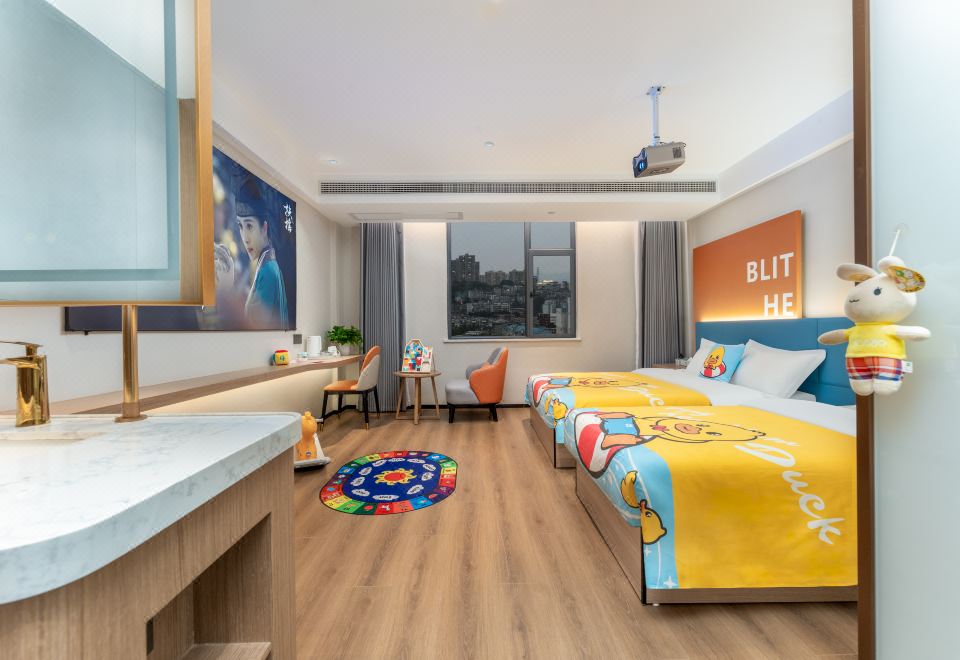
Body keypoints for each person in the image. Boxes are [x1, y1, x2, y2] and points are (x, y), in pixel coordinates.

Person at [235, 177, 289, 328]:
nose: (245, 238)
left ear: (264, 228)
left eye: (249, 226)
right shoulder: (268, 265)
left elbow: (253, 326)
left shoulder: (268, 271)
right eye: (240, 226)